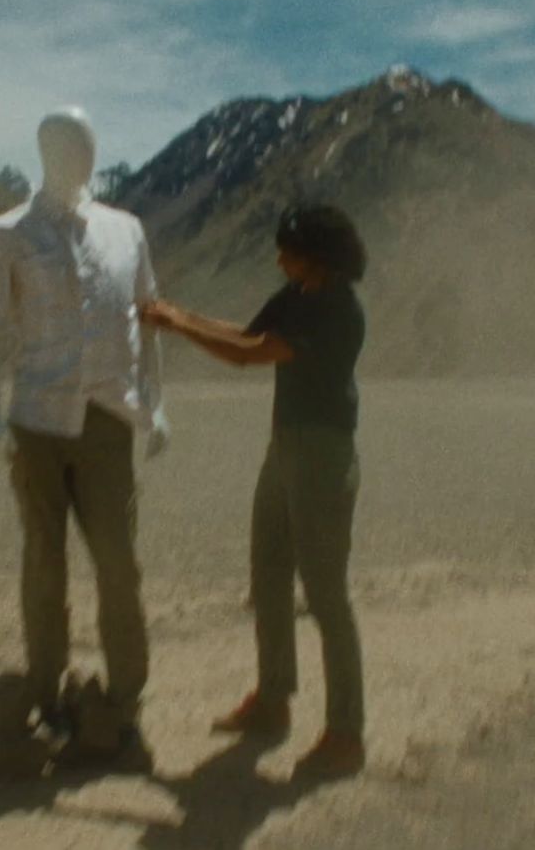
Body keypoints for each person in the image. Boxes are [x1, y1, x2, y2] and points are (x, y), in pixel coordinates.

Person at [0, 106, 169, 764]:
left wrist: (156, 406)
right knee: (44, 564)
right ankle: (48, 694)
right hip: (37, 423)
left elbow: (147, 320)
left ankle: (126, 696)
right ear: (39, 148)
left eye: (82, 143)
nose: (73, 154)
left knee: (119, 564)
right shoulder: (6, 236)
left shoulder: (126, 231)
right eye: (59, 143)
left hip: (108, 419)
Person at [141, 203, 367, 780]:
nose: (278, 258)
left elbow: (247, 357)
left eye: (288, 249)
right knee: (268, 574)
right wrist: (182, 314)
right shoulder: (297, 295)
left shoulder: (338, 311)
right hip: (283, 447)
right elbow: (246, 334)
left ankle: (346, 733)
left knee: (324, 593)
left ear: (316, 254)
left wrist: (178, 325)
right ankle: (273, 699)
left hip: (322, 454)